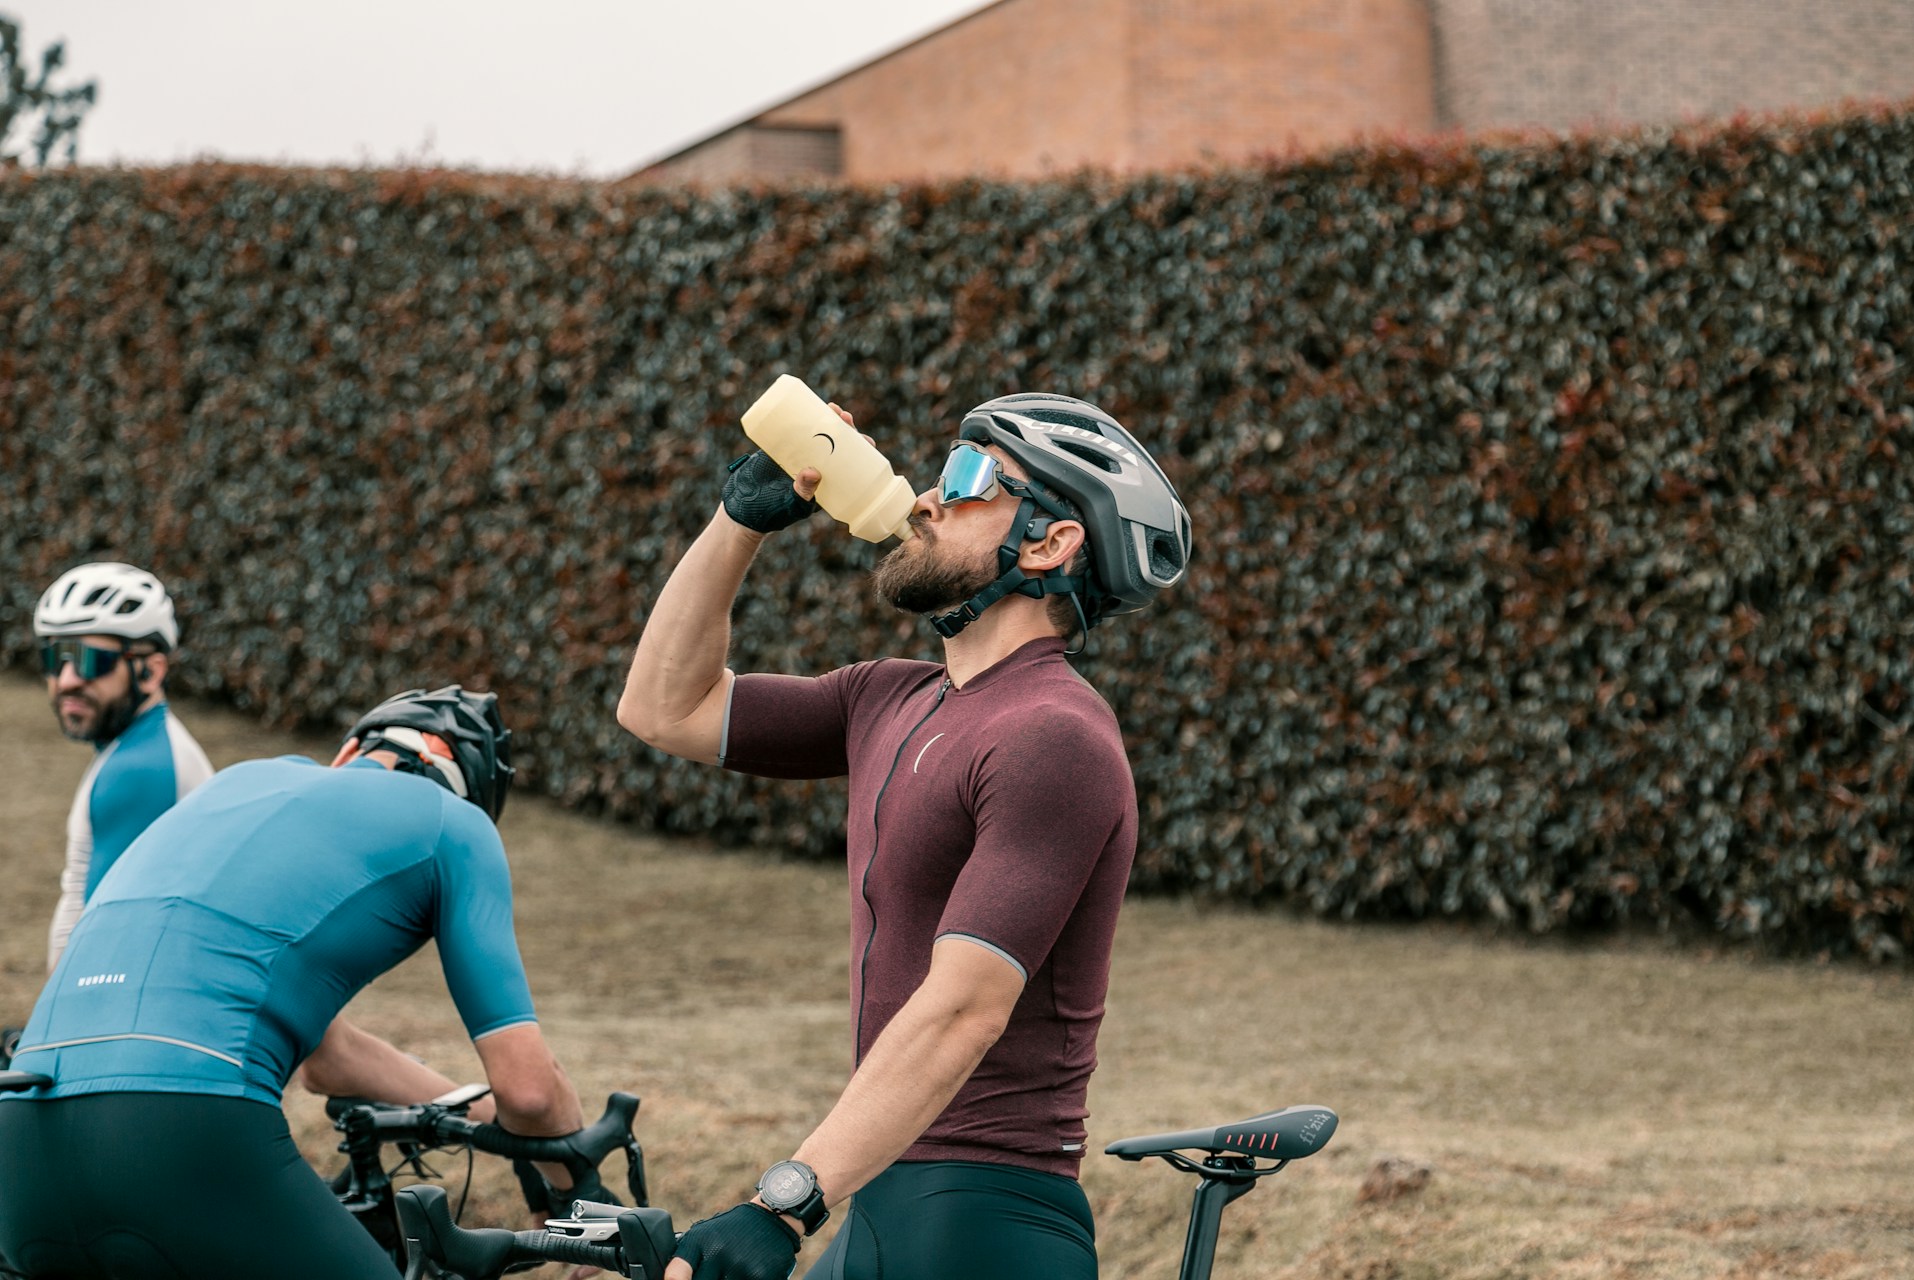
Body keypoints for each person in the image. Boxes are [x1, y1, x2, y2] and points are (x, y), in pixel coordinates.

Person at [618, 392, 1191, 1280]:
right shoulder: (888, 696)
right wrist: (738, 521)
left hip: (984, 1215)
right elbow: (664, 707)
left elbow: (964, 1007)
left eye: (969, 479)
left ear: (1049, 544)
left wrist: (786, 1200)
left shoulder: (1054, 736)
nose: (926, 498)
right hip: (889, 1195)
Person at [0, 686, 598, 1280]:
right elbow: (532, 1094)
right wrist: (584, 1197)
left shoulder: (237, 783)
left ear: (352, 752)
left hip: (23, 1134)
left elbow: (330, 1058)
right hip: (184, 1130)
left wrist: (488, 1119)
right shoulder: (455, 824)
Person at [33, 562, 214, 971]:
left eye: (89, 660)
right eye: (54, 657)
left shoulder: (139, 770)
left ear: (150, 671)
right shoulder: (143, 745)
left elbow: (108, 951)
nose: (65, 680)